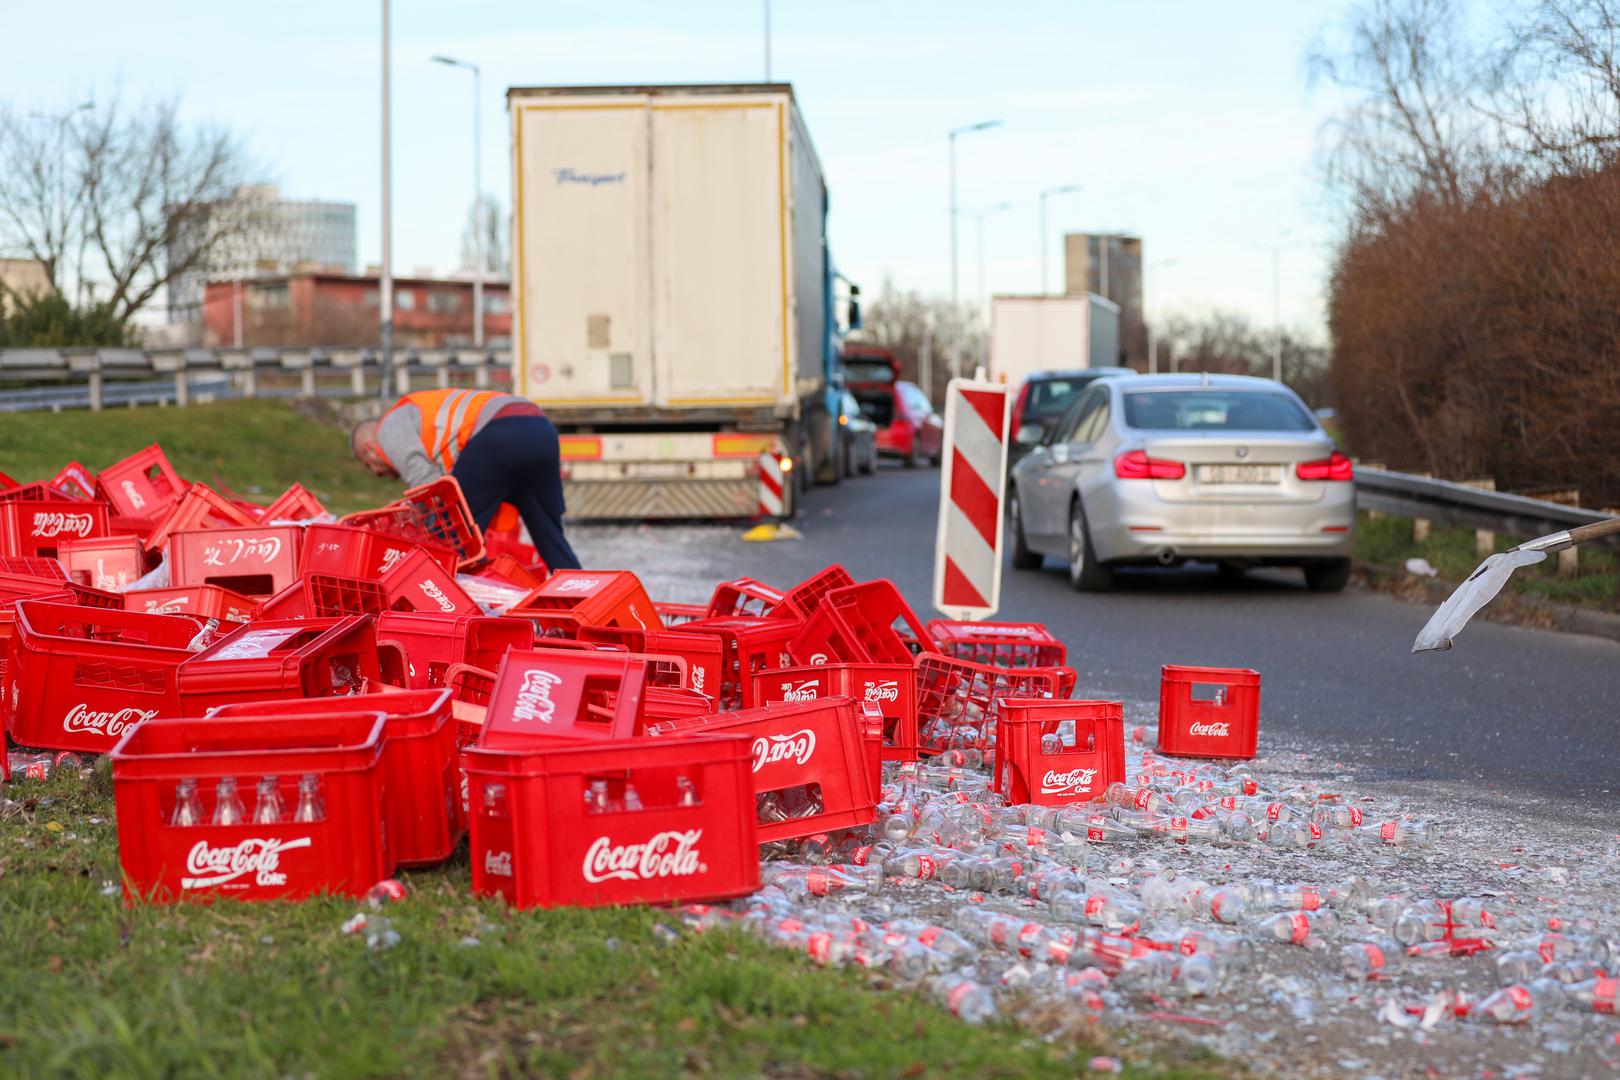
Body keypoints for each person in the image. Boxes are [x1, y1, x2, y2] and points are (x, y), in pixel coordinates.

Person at [350, 388, 581, 571]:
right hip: (540, 429)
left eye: (370, 466)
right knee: (550, 537)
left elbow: (429, 485)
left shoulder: (388, 430)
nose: (378, 474)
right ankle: (584, 603)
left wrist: (421, 531)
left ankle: (467, 612)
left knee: (452, 536)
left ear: (369, 450)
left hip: (498, 432)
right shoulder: (417, 415)